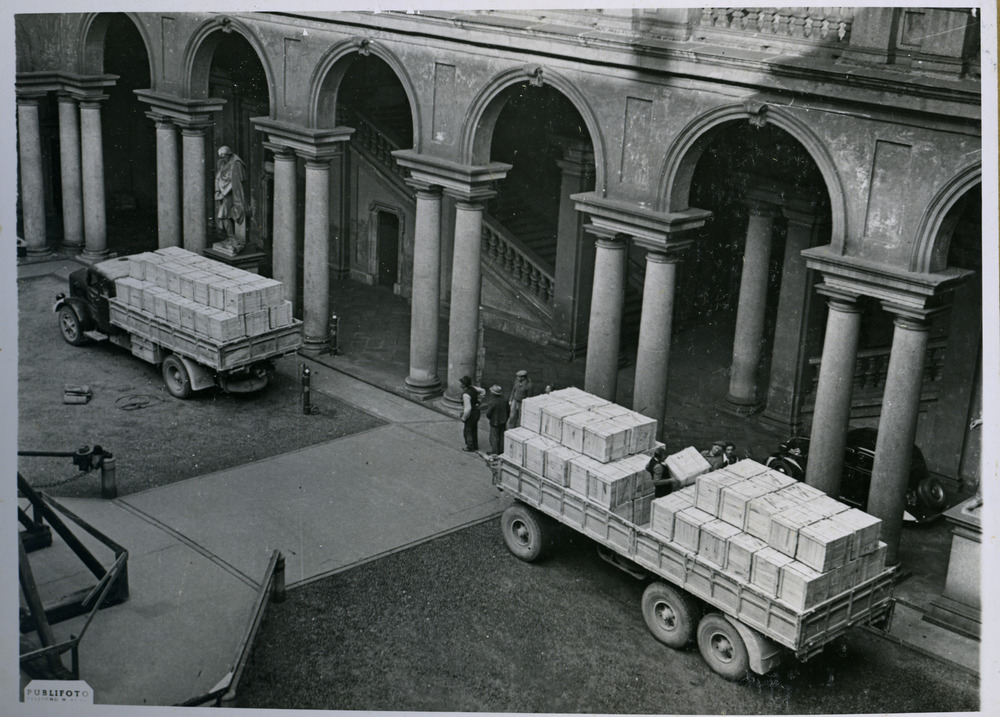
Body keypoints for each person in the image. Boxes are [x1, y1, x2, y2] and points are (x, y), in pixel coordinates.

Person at [214, 145, 249, 252]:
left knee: (222, 215)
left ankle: (232, 237)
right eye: (220, 157)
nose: (222, 159)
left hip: (232, 194)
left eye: (224, 157)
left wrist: (223, 194)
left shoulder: (236, 163)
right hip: (223, 194)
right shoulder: (222, 162)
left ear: (229, 154)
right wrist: (217, 191)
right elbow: (218, 177)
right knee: (224, 216)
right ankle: (231, 237)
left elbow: (235, 182)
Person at [459, 375, 485, 452]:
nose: (460, 384)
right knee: (474, 429)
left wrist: (463, 418)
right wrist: (480, 400)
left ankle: (470, 446)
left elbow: (468, 409)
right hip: (477, 412)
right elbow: (483, 391)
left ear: (464, 385)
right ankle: (475, 445)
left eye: (461, 383)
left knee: (468, 430)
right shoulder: (473, 389)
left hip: (471, 414)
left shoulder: (466, 395)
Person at [485, 384, 509, 456]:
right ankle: (501, 449)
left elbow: (488, 413)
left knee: (494, 437)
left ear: (493, 393)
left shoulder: (492, 402)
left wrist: (491, 418)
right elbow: (508, 410)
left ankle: (495, 451)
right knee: (501, 435)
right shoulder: (504, 399)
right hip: (503, 420)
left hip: (495, 421)